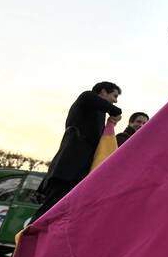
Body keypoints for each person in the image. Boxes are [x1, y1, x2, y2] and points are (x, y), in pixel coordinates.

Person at [35, 82, 122, 220]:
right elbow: (109, 108)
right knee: (49, 210)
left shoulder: (98, 112)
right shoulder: (87, 97)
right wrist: (117, 112)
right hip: (69, 168)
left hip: (78, 171)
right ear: (103, 91)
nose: (115, 100)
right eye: (114, 96)